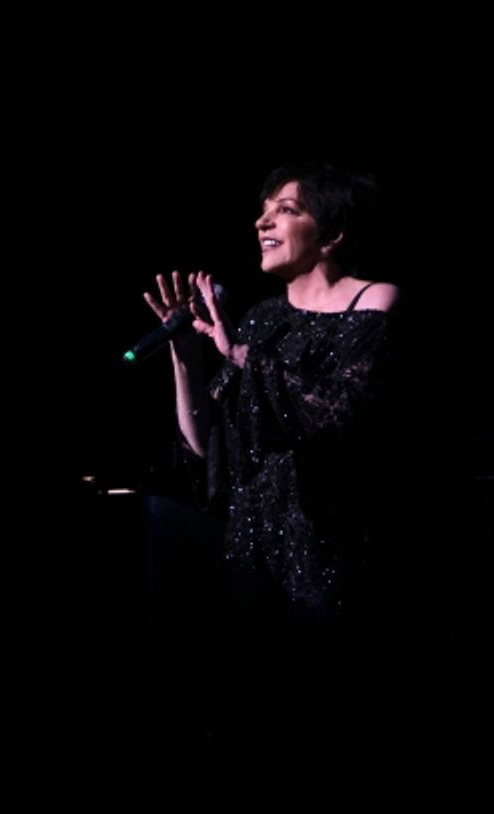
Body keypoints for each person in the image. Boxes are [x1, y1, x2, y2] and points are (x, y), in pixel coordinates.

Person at [141, 163, 407, 800]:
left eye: (284, 209)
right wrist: (189, 356)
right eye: (263, 210)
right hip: (253, 548)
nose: (262, 221)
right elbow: (209, 447)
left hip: (330, 544)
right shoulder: (261, 321)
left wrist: (234, 352)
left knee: (327, 726)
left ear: (332, 230)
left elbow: (337, 416)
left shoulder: (373, 300)